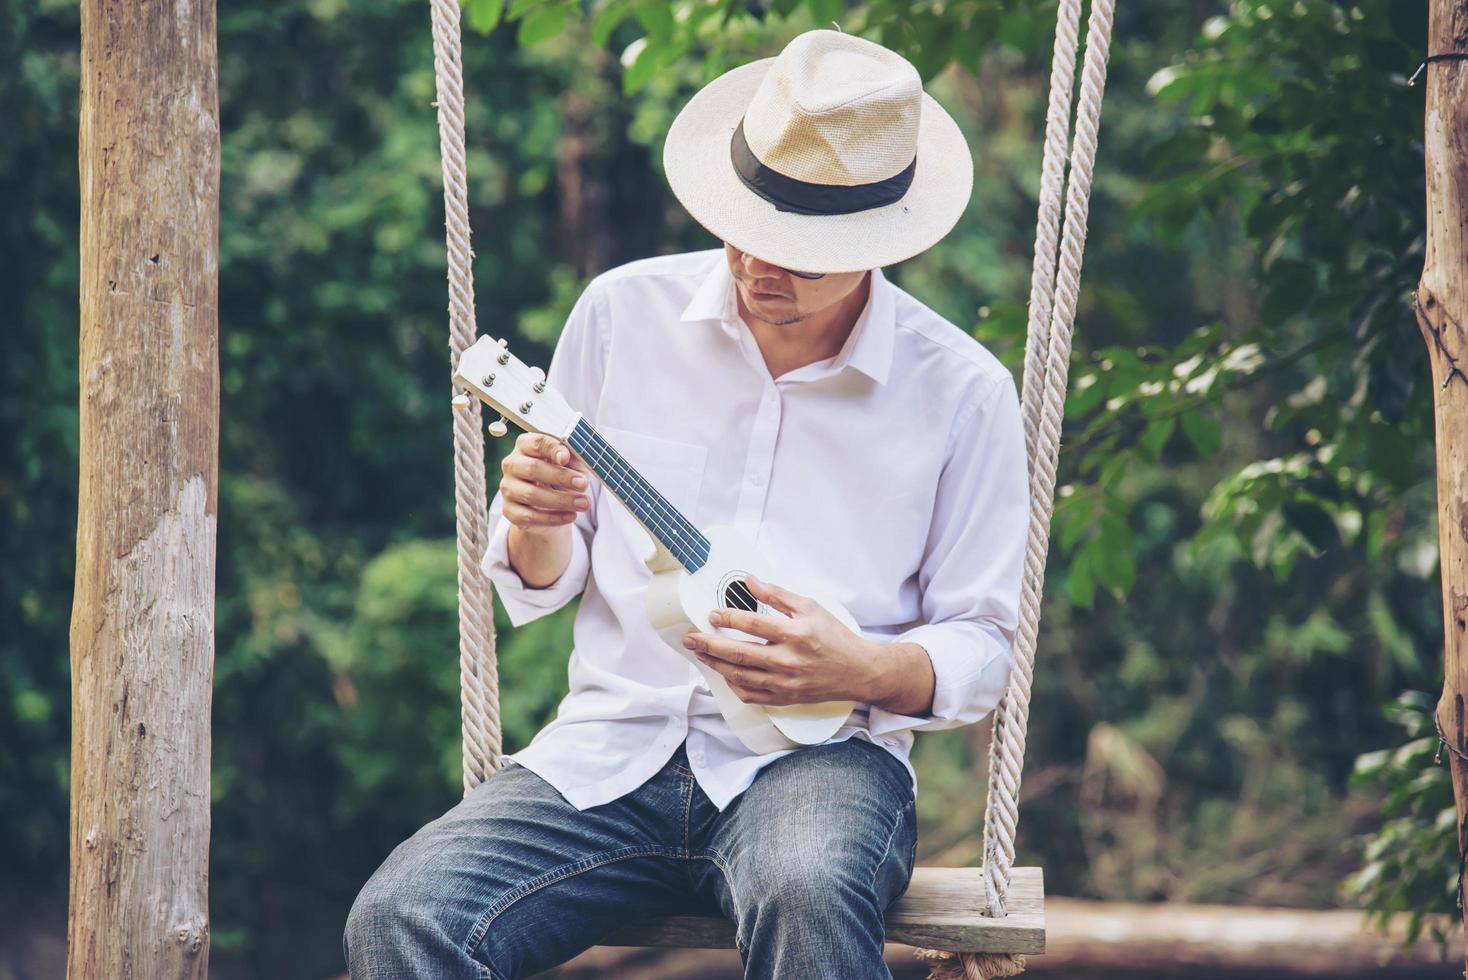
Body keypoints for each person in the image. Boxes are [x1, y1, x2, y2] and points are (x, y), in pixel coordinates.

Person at [345, 28, 1028, 980]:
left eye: (800, 253)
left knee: (806, 891)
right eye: (745, 229)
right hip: (608, 747)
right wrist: (538, 523)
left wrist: (866, 665)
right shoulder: (624, 315)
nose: (758, 267)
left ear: (877, 243)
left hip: (821, 764)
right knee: (404, 916)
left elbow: (985, 643)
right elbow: (544, 577)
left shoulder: (962, 391)